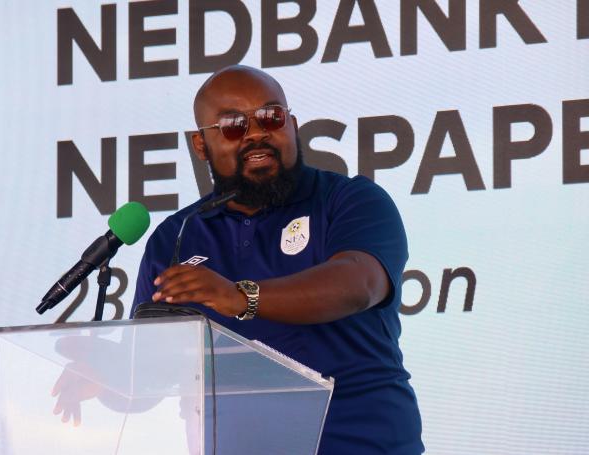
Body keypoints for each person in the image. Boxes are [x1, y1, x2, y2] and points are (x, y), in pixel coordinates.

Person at [131, 65, 424, 454]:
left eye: (271, 117)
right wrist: (105, 377)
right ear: (200, 145)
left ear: (292, 124)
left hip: (362, 442)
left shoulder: (349, 199)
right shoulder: (178, 234)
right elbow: (154, 367)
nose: (256, 133)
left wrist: (242, 297)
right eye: (234, 124)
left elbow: (360, 283)